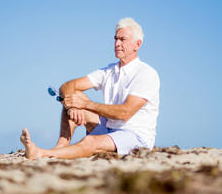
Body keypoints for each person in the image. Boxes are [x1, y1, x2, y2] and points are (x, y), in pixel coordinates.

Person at [20, 18, 160, 160]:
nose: (117, 43)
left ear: (137, 44)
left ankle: (41, 154)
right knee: (73, 96)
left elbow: (125, 113)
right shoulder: (109, 71)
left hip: (135, 135)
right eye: (115, 39)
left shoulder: (146, 74)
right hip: (109, 130)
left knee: (89, 141)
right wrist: (72, 107)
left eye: (122, 39)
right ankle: (59, 148)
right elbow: (67, 87)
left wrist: (85, 105)